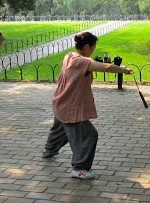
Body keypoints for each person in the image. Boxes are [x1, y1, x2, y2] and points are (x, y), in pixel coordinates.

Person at [42, 32, 133, 179]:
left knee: (61, 130)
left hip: (61, 102)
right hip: (71, 107)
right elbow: (106, 67)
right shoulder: (81, 62)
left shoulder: (70, 56)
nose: (93, 51)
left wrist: (118, 67)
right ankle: (79, 168)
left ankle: (49, 149)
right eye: (93, 47)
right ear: (86, 46)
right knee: (89, 135)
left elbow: (99, 64)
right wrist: (124, 70)